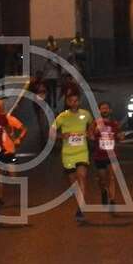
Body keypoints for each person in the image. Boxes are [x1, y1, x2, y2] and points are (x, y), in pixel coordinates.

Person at [53, 92, 94, 222]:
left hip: (82, 152)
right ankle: (78, 200)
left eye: (76, 100)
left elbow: (92, 124)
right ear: (67, 102)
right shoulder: (62, 117)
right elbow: (51, 132)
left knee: (82, 176)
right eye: (71, 101)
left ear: (79, 101)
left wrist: (90, 132)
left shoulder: (85, 114)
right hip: (68, 154)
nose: (74, 103)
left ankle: (81, 208)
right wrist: (61, 136)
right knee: (73, 181)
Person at [90, 101, 122, 207]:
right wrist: (95, 132)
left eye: (106, 108)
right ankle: (103, 191)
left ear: (110, 110)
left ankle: (112, 199)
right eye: (102, 108)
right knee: (102, 179)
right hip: (99, 156)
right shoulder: (95, 123)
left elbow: (120, 136)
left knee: (112, 177)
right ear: (99, 111)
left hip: (112, 155)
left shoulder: (115, 123)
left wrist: (120, 136)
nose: (105, 110)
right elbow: (90, 136)